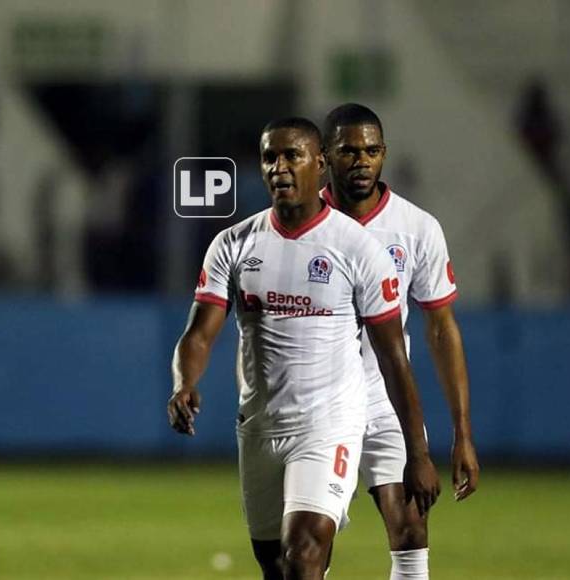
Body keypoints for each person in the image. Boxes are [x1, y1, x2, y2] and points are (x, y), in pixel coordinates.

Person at [168, 118, 439, 580]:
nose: (279, 167)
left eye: (292, 155)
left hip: (329, 424)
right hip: (258, 426)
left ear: (319, 163)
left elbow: (394, 357)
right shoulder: (233, 244)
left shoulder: (357, 249)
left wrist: (417, 452)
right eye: (270, 157)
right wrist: (184, 382)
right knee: (276, 567)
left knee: (304, 552)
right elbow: (198, 334)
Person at [321, 103, 480, 579]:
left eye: (371, 150)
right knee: (311, 541)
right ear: (326, 155)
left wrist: (462, 434)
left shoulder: (417, 228)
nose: (361, 161)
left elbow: (441, 328)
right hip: (320, 401)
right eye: (349, 151)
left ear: (384, 154)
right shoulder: (301, 225)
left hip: (386, 399)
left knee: (411, 527)